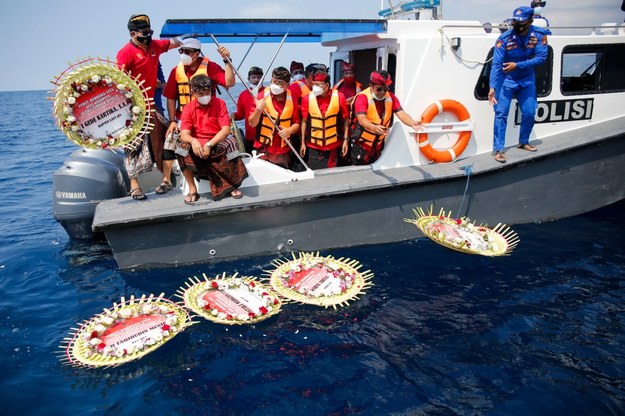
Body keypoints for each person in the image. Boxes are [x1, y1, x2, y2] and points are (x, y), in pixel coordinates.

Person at [116, 14, 183, 200]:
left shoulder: (154, 46)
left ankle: (166, 180)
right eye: (144, 33)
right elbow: (118, 81)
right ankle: (134, 185)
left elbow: (173, 43)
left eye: (149, 32)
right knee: (133, 145)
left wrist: (192, 33)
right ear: (133, 34)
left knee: (166, 139)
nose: (148, 36)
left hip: (155, 105)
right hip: (134, 108)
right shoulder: (126, 52)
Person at [161, 37, 235, 195]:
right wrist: (172, 121)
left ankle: (230, 180)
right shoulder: (176, 70)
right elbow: (171, 97)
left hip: (208, 117)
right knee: (170, 141)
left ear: (196, 53)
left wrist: (227, 61)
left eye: (187, 51)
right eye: (181, 51)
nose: (183, 54)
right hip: (184, 118)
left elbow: (229, 82)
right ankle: (166, 180)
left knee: (229, 142)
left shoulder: (210, 67)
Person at [488, 6, 549, 163]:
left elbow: (541, 58)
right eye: (515, 21)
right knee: (501, 113)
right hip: (506, 80)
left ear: (530, 21)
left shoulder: (539, 35)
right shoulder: (504, 39)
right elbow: (496, 64)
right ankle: (498, 150)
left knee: (529, 112)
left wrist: (518, 65)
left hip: (526, 79)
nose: (518, 24)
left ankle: (523, 142)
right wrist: (492, 87)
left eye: (521, 21)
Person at [177, 75, 248, 204]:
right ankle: (192, 188)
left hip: (216, 141)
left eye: (207, 92)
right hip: (198, 144)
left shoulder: (219, 103)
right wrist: (193, 141)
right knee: (180, 148)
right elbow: (184, 134)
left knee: (231, 142)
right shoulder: (188, 108)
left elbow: (225, 130)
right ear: (193, 93)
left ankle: (232, 184)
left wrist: (209, 145)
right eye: (201, 93)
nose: (205, 95)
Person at [349, 70, 422, 165]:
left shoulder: (391, 97)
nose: (382, 92)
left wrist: (413, 124)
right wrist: (374, 128)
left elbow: (402, 114)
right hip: (361, 146)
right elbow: (362, 119)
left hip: (378, 146)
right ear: (371, 86)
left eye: (385, 89)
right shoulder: (362, 98)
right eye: (379, 89)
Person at [248, 67, 301, 169]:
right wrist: (258, 109)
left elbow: (297, 123)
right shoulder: (261, 96)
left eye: (280, 83)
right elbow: (252, 123)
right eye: (273, 81)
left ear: (287, 86)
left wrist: (289, 130)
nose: (275, 85)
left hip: (282, 150)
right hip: (263, 148)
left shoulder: (292, 99)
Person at [300, 71, 350, 169]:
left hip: (333, 145)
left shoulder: (340, 97)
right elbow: (304, 121)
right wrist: (302, 143)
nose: (314, 87)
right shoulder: (307, 99)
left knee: (331, 175)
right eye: (313, 84)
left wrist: (345, 140)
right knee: (315, 175)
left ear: (327, 85)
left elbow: (346, 119)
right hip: (314, 146)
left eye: (318, 85)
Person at [233, 66, 264, 153]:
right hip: (250, 136)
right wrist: (233, 116)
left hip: (266, 136)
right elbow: (241, 114)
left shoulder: (268, 92)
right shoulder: (243, 95)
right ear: (248, 79)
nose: (256, 80)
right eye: (253, 77)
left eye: (259, 77)